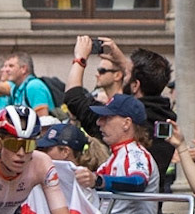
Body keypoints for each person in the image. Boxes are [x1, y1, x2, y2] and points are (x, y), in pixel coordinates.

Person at [64, 37, 176, 177]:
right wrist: (124, 63)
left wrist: (79, 59)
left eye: (126, 74)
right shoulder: (166, 116)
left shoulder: (121, 119)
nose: (101, 122)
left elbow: (73, 97)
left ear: (127, 123)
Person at [76, 94, 159, 214]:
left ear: (126, 123)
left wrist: (98, 181)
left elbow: (138, 182)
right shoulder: (113, 158)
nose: (99, 122)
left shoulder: (136, 153)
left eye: (107, 118)